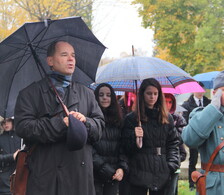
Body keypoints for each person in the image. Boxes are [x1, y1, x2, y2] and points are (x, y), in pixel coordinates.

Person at [14, 41, 105, 195]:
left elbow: (100, 126)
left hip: (79, 178)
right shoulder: (30, 94)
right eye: (64, 55)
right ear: (50, 61)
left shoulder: (87, 93)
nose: (71, 59)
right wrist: (61, 124)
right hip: (46, 178)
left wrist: (85, 122)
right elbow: (23, 127)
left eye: (73, 55)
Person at [122, 78, 180, 195]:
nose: (152, 97)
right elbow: (125, 148)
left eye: (155, 93)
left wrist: (171, 165)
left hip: (161, 171)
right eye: (149, 93)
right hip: (138, 172)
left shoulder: (166, 118)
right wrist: (134, 137)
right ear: (142, 94)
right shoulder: (132, 118)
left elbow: (173, 143)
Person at [93, 83, 128, 195]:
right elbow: (89, 149)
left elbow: (123, 147)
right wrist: (104, 168)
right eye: (101, 95)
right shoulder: (91, 120)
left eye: (108, 95)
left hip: (113, 175)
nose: (105, 98)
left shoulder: (119, 120)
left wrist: (122, 168)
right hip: (95, 174)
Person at [181, 81, 211, 190]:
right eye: (198, 89)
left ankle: (207, 180)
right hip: (194, 134)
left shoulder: (209, 103)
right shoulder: (186, 104)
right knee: (192, 160)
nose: (200, 92)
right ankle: (191, 183)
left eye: (202, 90)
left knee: (207, 159)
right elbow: (184, 120)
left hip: (207, 135)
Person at [164, 93, 187, 195]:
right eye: (165, 102)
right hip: (157, 160)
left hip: (173, 159)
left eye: (170, 102)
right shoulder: (153, 117)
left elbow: (180, 139)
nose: (168, 105)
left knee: (171, 190)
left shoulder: (178, 119)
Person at [0, 117, 21, 195]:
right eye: (3, 121)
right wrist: (11, 156)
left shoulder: (20, 137)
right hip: (4, 181)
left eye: (8, 120)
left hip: (20, 177)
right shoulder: (1, 138)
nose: (6, 123)